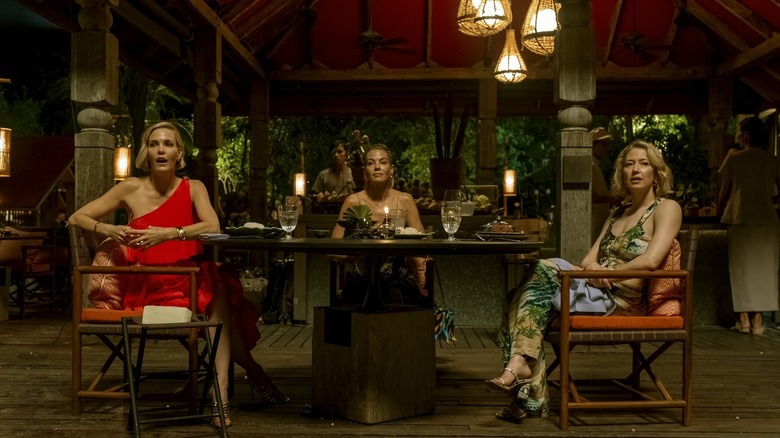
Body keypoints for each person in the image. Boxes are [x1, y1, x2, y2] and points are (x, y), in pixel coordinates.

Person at [68, 121, 287, 429]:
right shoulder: (130, 187)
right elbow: (78, 216)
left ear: (178, 153)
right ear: (147, 151)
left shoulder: (193, 187)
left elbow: (212, 226)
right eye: (155, 143)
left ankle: (220, 389)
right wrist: (109, 228)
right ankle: (249, 374)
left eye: (168, 144)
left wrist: (170, 234)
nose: (161, 149)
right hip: (149, 284)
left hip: (189, 279)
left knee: (214, 282)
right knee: (217, 294)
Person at [485, 140, 682, 420]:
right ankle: (523, 377)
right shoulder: (617, 213)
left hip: (620, 299)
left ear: (657, 173)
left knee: (528, 286)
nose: (635, 169)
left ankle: (526, 389)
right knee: (527, 291)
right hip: (592, 287)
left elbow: (651, 261)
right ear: (621, 173)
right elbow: (588, 259)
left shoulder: (667, 208)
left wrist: (608, 273)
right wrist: (594, 270)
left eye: (643, 163)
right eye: (629, 164)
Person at [331, 144, 428, 304]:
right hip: (362, 276)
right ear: (364, 172)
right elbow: (334, 251)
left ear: (391, 169)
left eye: (383, 162)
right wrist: (358, 252)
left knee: (393, 292)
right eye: (370, 163)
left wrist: (421, 277)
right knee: (364, 292)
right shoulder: (353, 201)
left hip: (398, 276)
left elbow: (421, 247)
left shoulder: (404, 200)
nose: (377, 167)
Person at [718, 116, 780, 335]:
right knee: (764, 270)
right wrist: (767, 200)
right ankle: (758, 322)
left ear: (746, 135)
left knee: (741, 269)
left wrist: (719, 210)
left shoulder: (734, 159)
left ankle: (743, 320)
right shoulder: (772, 160)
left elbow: (724, 192)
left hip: (740, 217)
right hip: (766, 220)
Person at [590, 127, 618, 244]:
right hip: (593, 221)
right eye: (603, 144)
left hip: (600, 221)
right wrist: (611, 199)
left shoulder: (595, 164)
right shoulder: (589, 165)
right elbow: (587, 196)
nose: (607, 149)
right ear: (593, 145)